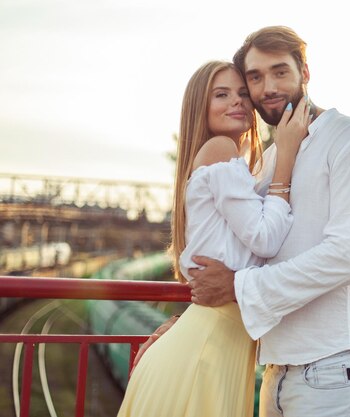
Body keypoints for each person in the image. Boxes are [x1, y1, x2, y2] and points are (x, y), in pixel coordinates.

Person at [137, 26, 350, 416]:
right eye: (254, 77)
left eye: (280, 71)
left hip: (334, 366)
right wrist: (192, 322)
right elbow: (245, 246)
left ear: (305, 72)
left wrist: (236, 288)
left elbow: (346, 257)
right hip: (275, 369)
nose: (267, 87)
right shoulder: (273, 158)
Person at [117, 60, 310, 417]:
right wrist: (286, 155)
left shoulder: (233, 162)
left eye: (241, 94)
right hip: (206, 353)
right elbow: (265, 240)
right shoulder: (221, 148)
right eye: (221, 95)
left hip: (213, 346)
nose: (236, 102)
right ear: (200, 107)